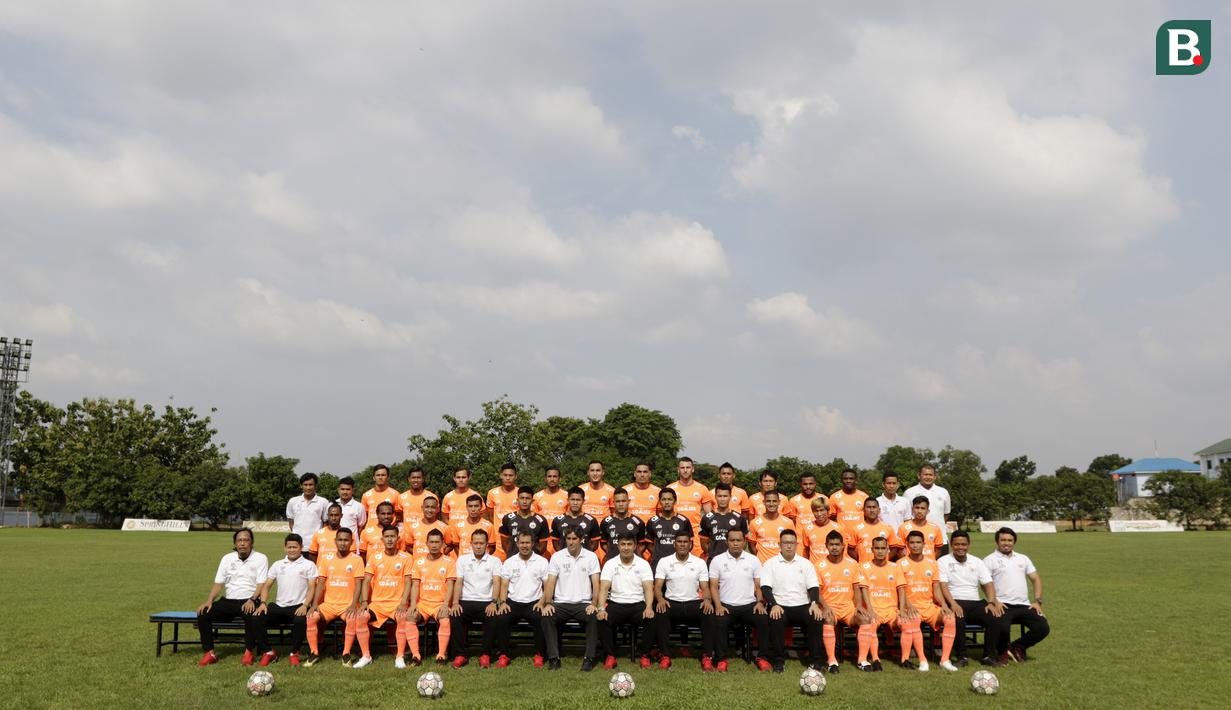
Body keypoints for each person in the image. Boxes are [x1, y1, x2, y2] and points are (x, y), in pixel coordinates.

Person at [196, 528, 269, 667]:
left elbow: (261, 583)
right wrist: (209, 601)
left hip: (249, 599)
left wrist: (253, 600)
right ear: (235, 543)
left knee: (251, 616)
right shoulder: (227, 558)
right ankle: (209, 653)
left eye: (246, 540)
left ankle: (249, 652)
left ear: (251, 542)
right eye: (239, 540)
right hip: (229, 601)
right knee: (203, 614)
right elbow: (219, 583)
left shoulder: (260, 558)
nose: (242, 543)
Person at [937, 530, 1004, 667]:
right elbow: (943, 586)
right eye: (957, 544)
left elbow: (988, 584)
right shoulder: (943, 561)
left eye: (963, 544)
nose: (960, 547)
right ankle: (962, 657)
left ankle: (988, 656)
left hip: (976, 602)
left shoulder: (977, 561)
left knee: (995, 617)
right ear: (951, 545)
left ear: (968, 545)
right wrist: (953, 604)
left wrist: (991, 602)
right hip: (955, 600)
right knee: (957, 620)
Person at [760, 529, 823, 673]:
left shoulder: (806, 563)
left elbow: (813, 586)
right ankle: (778, 661)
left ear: (797, 544)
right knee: (776, 618)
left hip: (802, 605)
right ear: (779, 545)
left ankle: (815, 661)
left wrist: (814, 604)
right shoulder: (770, 564)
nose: (789, 546)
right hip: (780, 605)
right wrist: (773, 604)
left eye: (792, 543)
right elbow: (765, 587)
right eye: (785, 543)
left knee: (816, 617)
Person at [708, 529, 771, 672]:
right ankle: (721, 659)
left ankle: (762, 657)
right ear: (726, 542)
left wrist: (760, 602)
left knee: (763, 619)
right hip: (726, 605)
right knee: (719, 621)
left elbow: (758, 586)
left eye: (738, 540)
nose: (735, 543)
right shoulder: (717, 560)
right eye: (732, 540)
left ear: (744, 542)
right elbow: (713, 586)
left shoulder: (753, 560)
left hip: (749, 605)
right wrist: (717, 605)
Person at [984, 527, 1049, 663]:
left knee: (1042, 628)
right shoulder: (989, 560)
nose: (1006, 543)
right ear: (997, 541)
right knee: (1002, 627)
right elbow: (985, 584)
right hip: (1003, 605)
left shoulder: (1023, 558)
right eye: (1003, 540)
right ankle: (1002, 651)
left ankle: (1018, 646)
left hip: (1024, 605)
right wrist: (994, 601)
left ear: (1014, 542)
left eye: (1010, 540)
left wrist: (1037, 601)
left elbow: (1035, 579)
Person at [897, 530, 958, 672]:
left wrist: (943, 605)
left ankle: (945, 659)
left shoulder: (932, 563)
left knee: (950, 618)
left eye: (918, 542)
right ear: (907, 544)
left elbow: (936, 589)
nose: (915, 545)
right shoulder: (900, 563)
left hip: (929, 607)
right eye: (912, 542)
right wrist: (908, 605)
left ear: (924, 544)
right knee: (914, 619)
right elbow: (900, 589)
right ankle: (923, 660)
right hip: (910, 606)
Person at [540, 529, 602, 670]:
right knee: (546, 615)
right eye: (568, 538)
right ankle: (554, 658)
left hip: (583, 603)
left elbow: (596, 583)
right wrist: (548, 603)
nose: (571, 541)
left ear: (581, 539)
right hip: (561, 603)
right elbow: (550, 582)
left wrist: (594, 603)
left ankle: (588, 658)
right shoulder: (557, 557)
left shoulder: (591, 557)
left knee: (593, 616)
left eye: (574, 538)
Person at [252, 533, 317, 667]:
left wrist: (305, 605)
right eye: (289, 547)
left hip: (298, 606)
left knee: (300, 621)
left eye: (295, 547)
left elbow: (312, 588)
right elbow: (267, 585)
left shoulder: (309, 565)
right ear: (284, 548)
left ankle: (294, 653)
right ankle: (268, 652)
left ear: (301, 548)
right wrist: (263, 603)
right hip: (279, 607)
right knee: (256, 618)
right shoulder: (278, 564)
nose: (292, 550)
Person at [651, 531, 714, 670]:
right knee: (661, 612)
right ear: (674, 544)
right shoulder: (664, 561)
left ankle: (707, 656)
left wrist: (707, 600)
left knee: (708, 613)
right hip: (671, 602)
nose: (682, 545)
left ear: (690, 544)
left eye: (685, 542)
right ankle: (665, 655)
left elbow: (705, 587)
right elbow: (657, 587)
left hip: (693, 603)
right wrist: (660, 599)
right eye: (679, 542)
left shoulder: (699, 563)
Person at [355, 525, 414, 669]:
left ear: (398, 539)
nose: (389, 539)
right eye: (387, 536)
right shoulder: (375, 557)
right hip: (378, 604)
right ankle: (366, 656)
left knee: (402, 617)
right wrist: (364, 602)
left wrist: (403, 602)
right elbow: (367, 580)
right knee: (361, 616)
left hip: (396, 604)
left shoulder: (406, 558)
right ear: (382, 539)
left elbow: (408, 582)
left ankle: (399, 657)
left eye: (392, 536)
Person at [813, 530, 872, 673]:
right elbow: (817, 591)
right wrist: (825, 607)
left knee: (864, 618)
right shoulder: (818, 565)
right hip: (828, 607)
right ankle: (832, 661)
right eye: (831, 544)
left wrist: (858, 606)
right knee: (827, 619)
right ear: (826, 546)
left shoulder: (852, 564)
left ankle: (862, 660)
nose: (834, 547)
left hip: (847, 607)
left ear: (843, 546)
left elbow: (856, 588)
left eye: (837, 544)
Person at [304, 528, 365, 667]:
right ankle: (314, 652)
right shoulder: (326, 559)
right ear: (335, 541)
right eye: (340, 540)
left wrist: (353, 604)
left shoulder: (357, 560)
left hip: (347, 605)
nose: (343, 543)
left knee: (351, 618)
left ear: (351, 542)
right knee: (311, 617)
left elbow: (358, 585)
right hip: (329, 605)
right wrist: (314, 604)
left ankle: (346, 653)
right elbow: (321, 584)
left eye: (346, 540)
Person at [596, 533, 656, 670]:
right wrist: (601, 609)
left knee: (652, 619)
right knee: (601, 619)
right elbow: (604, 588)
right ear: (618, 546)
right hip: (616, 604)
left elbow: (648, 589)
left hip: (637, 604)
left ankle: (645, 655)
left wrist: (649, 607)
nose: (626, 548)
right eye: (623, 544)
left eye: (629, 544)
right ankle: (610, 656)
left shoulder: (643, 564)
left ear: (635, 546)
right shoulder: (610, 564)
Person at [493, 530, 551, 667]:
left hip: (534, 602)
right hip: (513, 602)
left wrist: (542, 602)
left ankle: (539, 654)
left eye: (527, 543)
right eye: (522, 543)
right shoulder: (509, 562)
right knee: (501, 618)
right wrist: (502, 602)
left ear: (533, 544)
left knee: (541, 618)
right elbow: (504, 585)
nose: (524, 546)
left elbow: (548, 585)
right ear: (517, 543)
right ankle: (503, 654)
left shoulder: (542, 562)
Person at [447, 529, 504, 668]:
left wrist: (493, 602)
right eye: (476, 543)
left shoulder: (495, 561)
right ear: (471, 544)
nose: (478, 546)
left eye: (482, 543)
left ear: (487, 545)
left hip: (486, 602)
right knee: (455, 615)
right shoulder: (462, 560)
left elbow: (497, 582)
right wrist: (455, 603)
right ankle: (460, 655)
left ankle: (485, 654)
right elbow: (458, 582)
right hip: (466, 600)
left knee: (493, 616)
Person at [404, 529, 457, 664]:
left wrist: (446, 604)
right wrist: (414, 605)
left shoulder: (449, 562)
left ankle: (441, 655)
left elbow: (451, 585)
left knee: (445, 619)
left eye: (437, 542)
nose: (434, 545)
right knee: (410, 617)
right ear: (426, 543)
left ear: (442, 544)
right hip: (423, 604)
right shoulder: (418, 562)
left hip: (440, 604)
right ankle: (416, 656)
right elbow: (415, 585)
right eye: (431, 542)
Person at [854, 535, 902, 671]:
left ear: (888, 549)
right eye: (877, 548)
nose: (880, 551)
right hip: (873, 608)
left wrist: (902, 608)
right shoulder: (864, 567)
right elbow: (864, 589)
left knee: (909, 621)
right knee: (870, 622)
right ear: (872, 549)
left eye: (883, 548)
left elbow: (901, 589)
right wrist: (870, 609)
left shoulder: (895, 567)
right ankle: (872, 659)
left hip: (891, 610)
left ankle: (906, 660)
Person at [667, 457, 713, 558]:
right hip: (674, 531)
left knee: (697, 563)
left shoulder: (702, 488)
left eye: (688, 467)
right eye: (682, 467)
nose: (685, 470)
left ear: (693, 469)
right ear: (678, 469)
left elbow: (709, 516)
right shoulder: (670, 488)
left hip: (696, 533)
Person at [903, 464, 951, 553]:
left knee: (940, 566)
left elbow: (946, 514)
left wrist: (934, 528)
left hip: (940, 540)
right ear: (919, 476)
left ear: (935, 476)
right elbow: (907, 516)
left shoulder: (943, 492)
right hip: (916, 541)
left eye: (930, 475)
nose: (928, 477)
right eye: (925, 474)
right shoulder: (909, 493)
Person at [645, 488, 693, 570]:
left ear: (675, 501)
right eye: (664, 499)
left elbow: (690, 543)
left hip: (679, 564)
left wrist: (679, 556)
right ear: (660, 501)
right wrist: (659, 555)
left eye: (670, 499)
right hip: (658, 564)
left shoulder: (683, 521)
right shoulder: (652, 522)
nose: (667, 502)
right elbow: (649, 544)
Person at [700, 482, 748, 560]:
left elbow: (744, 542)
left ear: (730, 497)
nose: (722, 499)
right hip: (714, 560)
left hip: (734, 560)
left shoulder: (739, 518)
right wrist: (712, 554)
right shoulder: (707, 518)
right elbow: (703, 543)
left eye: (725, 496)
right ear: (715, 497)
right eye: (720, 496)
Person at [747, 490, 796, 564]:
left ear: (779, 502)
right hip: (762, 565)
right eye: (768, 501)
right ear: (763, 502)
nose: (771, 504)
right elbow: (751, 545)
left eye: (774, 501)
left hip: (782, 564)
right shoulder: (754, 523)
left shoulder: (788, 523)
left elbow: (792, 544)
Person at [499, 485, 549, 558]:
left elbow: (543, 547)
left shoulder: (541, 520)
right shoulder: (507, 518)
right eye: (522, 498)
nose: (524, 501)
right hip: (513, 561)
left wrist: (532, 558)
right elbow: (504, 543)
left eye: (528, 498)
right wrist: (513, 557)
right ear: (517, 500)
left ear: (532, 501)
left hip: (533, 562)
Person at [599, 488, 647, 561]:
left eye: (623, 501)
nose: (621, 504)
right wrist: (612, 553)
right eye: (618, 501)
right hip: (612, 561)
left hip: (632, 563)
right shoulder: (605, 522)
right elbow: (603, 544)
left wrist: (633, 555)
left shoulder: (638, 523)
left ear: (628, 501)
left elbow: (642, 545)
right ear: (613, 503)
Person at [849, 499, 901, 563]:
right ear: (863, 510)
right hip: (863, 568)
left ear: (879, 510)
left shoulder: (888, 528)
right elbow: (850, 549)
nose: (872, 510)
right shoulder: (856, 529)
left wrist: (884, 560)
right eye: (869, 507)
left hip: (882, 569)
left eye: (874, 507)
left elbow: (894, 549)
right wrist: (860, 559)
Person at [403, 495, 453, 561]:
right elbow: (408, 546)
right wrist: (417, 555)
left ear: (437, 509)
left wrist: (441, 554)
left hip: (438, 564)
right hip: (419, 566)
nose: (429, 510)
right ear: (422, 508)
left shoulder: (444, 527)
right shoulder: (413, 527)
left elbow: (450, 545)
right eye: (427, 507)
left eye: (433, 507)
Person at [551, 486, 600, 553]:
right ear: (568, 500)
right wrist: (563, 554)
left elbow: (595, 544)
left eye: (578, 500)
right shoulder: (557, 520)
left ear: (583, 501)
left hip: (584, 560)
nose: (575, 503)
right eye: (572, 499)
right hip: (564, 560)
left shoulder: (591, 520)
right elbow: (555, 543)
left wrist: (585, 555)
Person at [534, 466, 569, 554]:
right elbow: (534, 520)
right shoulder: (537, 497)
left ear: (559, 479)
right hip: (543, 541)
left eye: (555, 476)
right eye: (549, 476)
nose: (552, 479)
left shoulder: (567, 496)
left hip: (560, 540)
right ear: (545, 478)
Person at [800, 497, 847, 563]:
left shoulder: (838, 528)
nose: (819, 514)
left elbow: (843, 550)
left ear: (828, 511)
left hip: (832, 567)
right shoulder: (807, 528)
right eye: (816, 511)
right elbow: (806, 549)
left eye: (822, 510)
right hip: (814, 569)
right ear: (812, 512)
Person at [286, 473, 328, 542]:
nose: (308, 488)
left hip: (316, 542)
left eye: (311, 485)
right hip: (297, 543)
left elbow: (325, 523)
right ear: (301, 486)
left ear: (315, 486)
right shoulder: (293, 501)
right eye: (305, 485)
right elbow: (291, 522)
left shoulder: (323, 502)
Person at [451, 494, 496, 558]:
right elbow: (456, 545)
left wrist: (482, 558)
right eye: (470, 506)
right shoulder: (458, 526)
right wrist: (463, 559)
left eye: (476, 506)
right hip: (464, 563)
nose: (473, 509)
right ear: (466, 507)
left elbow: (492, 547)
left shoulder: (489, 526)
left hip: (481, 563)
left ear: (481, 507)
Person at [829, 469, 869, 538]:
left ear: (856, 480)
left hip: (860, 537)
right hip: (842, 538)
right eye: (845, 479)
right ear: (841, 480)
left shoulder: (864, 497)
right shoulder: (834, 497)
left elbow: (868, 518)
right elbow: (831, 519)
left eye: (851, 478)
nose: (848, 481)